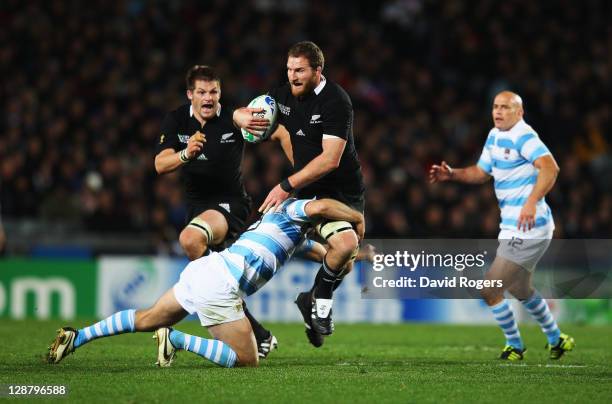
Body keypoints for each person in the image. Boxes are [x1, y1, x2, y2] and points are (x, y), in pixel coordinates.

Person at [47, 197, 364, 368]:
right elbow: (322, 206)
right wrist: (356, 218)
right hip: (221, 282)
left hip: (206, 270)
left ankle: (77, 337)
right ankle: (177, 340)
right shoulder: (293, 208)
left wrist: (350, 255)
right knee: (247, 359)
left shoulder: (287, 233)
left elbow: (323, 253)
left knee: (145, 318)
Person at [234, 41, 366, 347]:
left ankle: (310, 299)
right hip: (314, 194)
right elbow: (245, 110)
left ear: (317, 71)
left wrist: (285, 185)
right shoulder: (282, 97)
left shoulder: (336, 101)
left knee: (344, 261)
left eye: (300, 70)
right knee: (346, 243)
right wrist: (240, 117)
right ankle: (320, 295)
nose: (292, 76)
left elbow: (330, 159)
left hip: (342, 191)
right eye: (289, 69)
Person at [429, 91, 575, 360]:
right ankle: (557, 338)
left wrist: (532, 201)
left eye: (506, 107)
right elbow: (482, 172)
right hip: (512, 225)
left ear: (519, 113)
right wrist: (453, 174)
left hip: (529, 226)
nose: (498, 111)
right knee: (520, 288)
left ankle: (515, 346)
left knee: (490, 288)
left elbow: (550, 168)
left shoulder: (524, 136)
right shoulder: (495, 135)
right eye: (496, 106)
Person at [154, 65, 276, 358]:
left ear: (219, 94)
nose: (208, 98)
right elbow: (160, 164)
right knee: (216, 279)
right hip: (197, 208)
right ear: (190, 95)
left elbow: (242, 116)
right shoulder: (177, 120)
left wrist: (251, 118)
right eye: (201, 92)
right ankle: (259, 334)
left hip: (230, 204)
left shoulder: (231, 117)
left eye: (214, 92)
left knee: (190, 241)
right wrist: (186, 153)